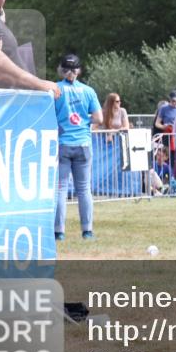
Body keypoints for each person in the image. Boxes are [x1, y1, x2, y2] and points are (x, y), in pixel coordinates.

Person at [52, 54, 102, 241]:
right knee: (84, 189)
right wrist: (84, 121)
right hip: (83, 144)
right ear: (79, 70)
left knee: (60, 189)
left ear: (61, 69)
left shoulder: (55, 90)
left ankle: (59, 232)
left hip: (63, 143)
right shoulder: (88, 91)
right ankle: (87, 231)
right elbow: (99, 118)